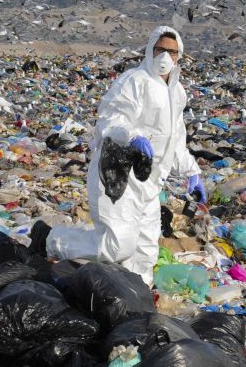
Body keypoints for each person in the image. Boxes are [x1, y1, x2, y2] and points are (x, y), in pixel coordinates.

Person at [30, 26, 205, 285]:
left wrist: (192, 171)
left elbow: (175, 139)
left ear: (180, 56)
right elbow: (112, 118)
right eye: (160, 50)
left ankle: (135, 295)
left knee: (145, 249)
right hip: (118, 174)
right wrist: (132, 136)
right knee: (117, 245)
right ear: (149, 50)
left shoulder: (176, 92)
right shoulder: (134, 80)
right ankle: (52, 239)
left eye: (172, 52)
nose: (165, 57)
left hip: (150, 182)